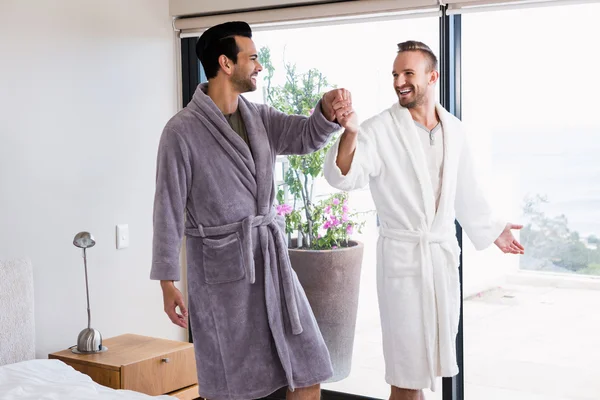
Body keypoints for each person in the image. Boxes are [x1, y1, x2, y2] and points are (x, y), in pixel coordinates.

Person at [150, 21, 352, 400]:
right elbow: (168, 208)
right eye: (253, 58)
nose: (260, 66)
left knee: (307, 368)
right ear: (226, 64)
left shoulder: (259, 117)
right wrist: (166, 282)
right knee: (234, 385)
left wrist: (325, 110)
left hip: (270, 260)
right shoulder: (181, 131)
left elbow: (305, 135)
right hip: (222, 272)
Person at [323, 41, 525, 400]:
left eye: (408, 73)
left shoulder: (454, 129)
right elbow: (344, 177)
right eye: (395, 74)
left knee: (427, 366)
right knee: (405, 374)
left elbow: (466, 191)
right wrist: (351, 132)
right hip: (404, 262)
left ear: (432, 77)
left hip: (439, 261)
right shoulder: (379, 129)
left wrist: (494, 229)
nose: (399, 81)